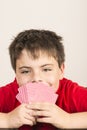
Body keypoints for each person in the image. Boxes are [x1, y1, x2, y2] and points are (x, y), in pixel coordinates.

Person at [0, 29, 87, 130]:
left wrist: (69, 120)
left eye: (46, 69)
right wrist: (7, 119)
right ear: (16, 74)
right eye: (25, 71)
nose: (36, 79)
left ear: (61, 70)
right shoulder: (10, 93)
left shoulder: (71, 93)